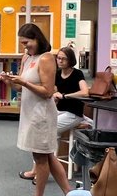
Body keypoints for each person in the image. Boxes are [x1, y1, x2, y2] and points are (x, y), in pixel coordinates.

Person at [0, 23, 68, 196]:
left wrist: (24, 82)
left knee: (40, 157)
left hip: (42, 115)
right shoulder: (27, 58)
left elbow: (47, 92)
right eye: (22, 44)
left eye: (27, 42)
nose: (25, 47)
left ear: (37, 39)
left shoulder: (47, 58)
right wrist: (10, 82)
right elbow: (20, 88)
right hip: (29, 113)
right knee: (47, 156)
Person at [19, 45, 91, 182]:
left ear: (70, 60)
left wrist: (64, 96)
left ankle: (38, 172)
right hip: (59, 111)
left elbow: (85, 92)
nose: (60, 61)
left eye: (63, 59)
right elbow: (51, 90)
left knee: (47, 132)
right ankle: (39, 170)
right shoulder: (57, 74)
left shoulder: (77, 74)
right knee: (40, 127)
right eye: (58, 58)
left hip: (73, 113)